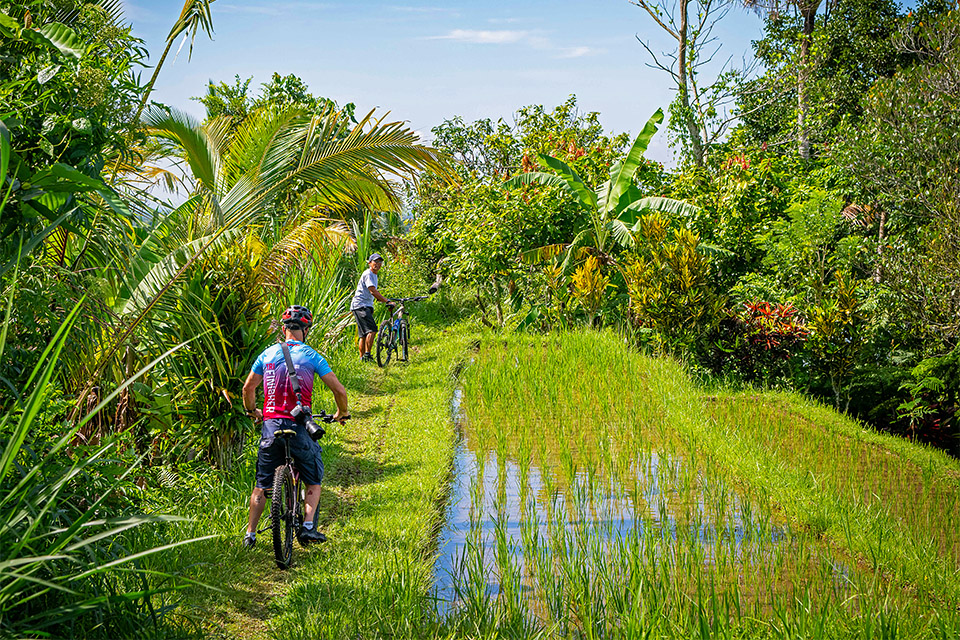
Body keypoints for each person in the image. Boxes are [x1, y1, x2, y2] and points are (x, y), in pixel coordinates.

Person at [241, 305, 349, 548]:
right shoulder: (311, 356)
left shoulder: (266, 355)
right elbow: (339, 390)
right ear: (306, 329)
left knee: (261, 485)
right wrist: (342, 412)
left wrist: (252, 411)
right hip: (299, 425)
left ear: (283, 329)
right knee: (313, 479)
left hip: (270, 426)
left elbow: (248, 388)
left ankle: (250, 535)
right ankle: (308, 526)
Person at [350, 253, 394, 362]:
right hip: (361, 305)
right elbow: (372, 290)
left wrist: (380, 299)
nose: (378, 264)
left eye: (380, 262)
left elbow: (372, 292)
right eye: (375, 262)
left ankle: (362, 359)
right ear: (370, 263)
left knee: (363, 334)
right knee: (372, 330)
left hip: (362, 305)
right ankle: (367, 355)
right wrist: (387, 300)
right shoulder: (368, 274)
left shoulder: (374, 275)